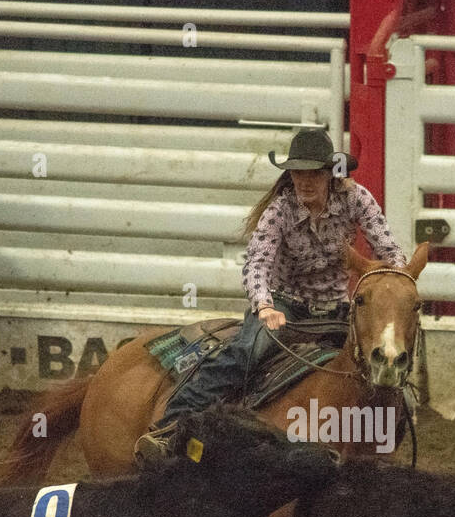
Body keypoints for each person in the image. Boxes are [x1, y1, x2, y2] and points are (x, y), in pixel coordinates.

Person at [135, 127, 408, 458]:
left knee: (381, 356)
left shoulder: (356, 199)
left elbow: (390, 251)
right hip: (284, 306)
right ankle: (169, 427)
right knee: (243, 355)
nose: (304, 181)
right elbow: (256, 265)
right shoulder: (280, 211)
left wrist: (393, 286)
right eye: (297, 173)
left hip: (337, 310)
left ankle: (385, 435)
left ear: (329, 173)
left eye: (313, 173)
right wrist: (265, 306)